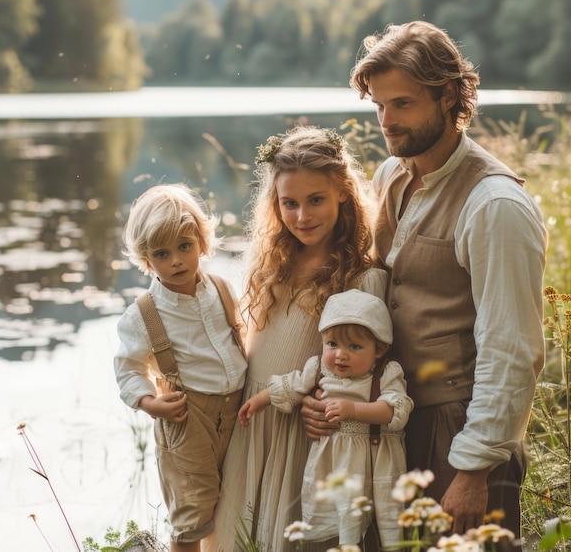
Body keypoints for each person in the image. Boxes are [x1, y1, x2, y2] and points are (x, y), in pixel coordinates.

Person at [303, 21, 547, 538]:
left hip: (458, 428)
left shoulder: (495, 205)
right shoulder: (393, 174)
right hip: (392, 419)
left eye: (403, 104)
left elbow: (511, 348)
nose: (386, 121)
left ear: (450, 96)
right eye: (379, 106)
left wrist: (474, 468)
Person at [204, 126, 388, 552]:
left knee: (283, 535)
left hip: (301, 428)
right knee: (238, 534)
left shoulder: (361, 278)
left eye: (315, 200)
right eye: (289, 203)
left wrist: (322, 397)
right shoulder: (272, 264)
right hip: (252, 422)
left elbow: (364, 366)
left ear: (343, 192)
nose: (302, 216)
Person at [114, 183, 248, 552]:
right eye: (162, 253)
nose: (176, 260)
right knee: (192, 510)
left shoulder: (220, 288)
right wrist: (149, 402)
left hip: (236, 409)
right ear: (146, 259)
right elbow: (127, 367)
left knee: (236, 495)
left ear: (202, 244)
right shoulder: (144, 314)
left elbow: (237, 337)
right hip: (188, 419)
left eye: (185, 247)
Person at [238, 288, 413, 549]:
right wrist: (259, 400)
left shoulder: (386, 373)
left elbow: (395, 410)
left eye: (354, 346)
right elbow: (291, 385)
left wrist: (353, 411)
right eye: (332, 344)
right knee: (335, 525)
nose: (340, 354)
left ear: (379, 349)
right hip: (333, 464)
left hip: (376, 463)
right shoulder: (318, 369)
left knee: (384, 528)